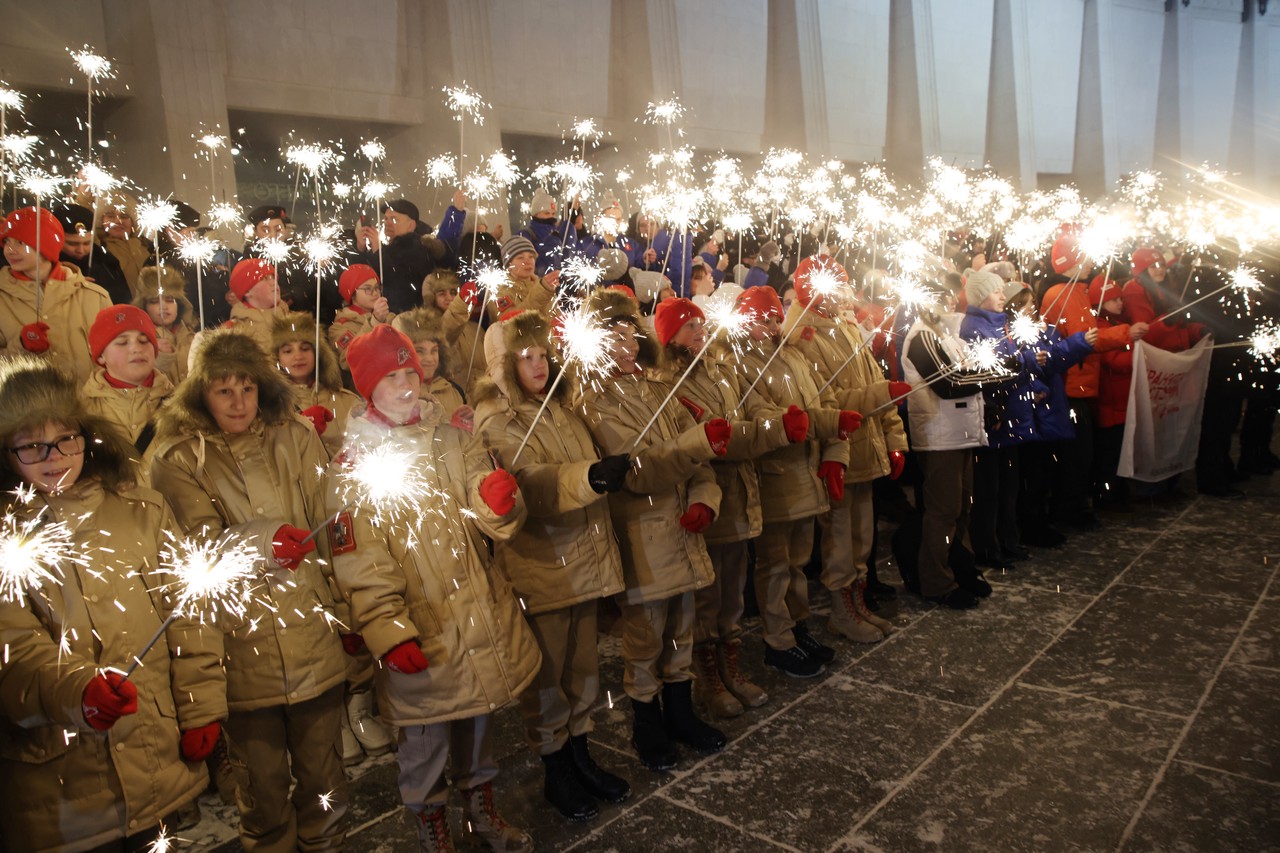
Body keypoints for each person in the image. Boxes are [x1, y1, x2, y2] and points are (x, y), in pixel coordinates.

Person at [326, 324, 539, 853]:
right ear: (366, 389)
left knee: (479, 721)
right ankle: (431, 821)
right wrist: (388, 631)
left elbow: (488, 512)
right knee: (425, 741)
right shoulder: (354, 468)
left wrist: (497, 501)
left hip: (476, 610)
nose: (404, 386)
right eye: (389, 377)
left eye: (409, 374)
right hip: (423, 626)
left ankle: (482, 808)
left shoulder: (452, 437)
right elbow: (360, 562)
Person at [0, 357, 223, 853]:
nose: (54, 456)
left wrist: (200, 706)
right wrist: (76, 689)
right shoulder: (6, 534)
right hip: (62, 784)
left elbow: (187, 612)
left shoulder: (141, 509)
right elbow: (11, 646)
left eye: (65, 438)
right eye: (32, 445)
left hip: (154, 749)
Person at [149, 331, 349, 852]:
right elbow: (194, 549)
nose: (239, 402)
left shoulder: (294, 435)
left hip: (310, 629)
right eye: (223, 391)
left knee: (324, 779)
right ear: (200, 394)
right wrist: (263, 541)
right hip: (242, 647)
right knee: (262, 791)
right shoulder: (177, 460)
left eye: (248, 388)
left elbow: (327, 523)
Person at [473, 309, 633, 822]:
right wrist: (588, 477)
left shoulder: (562, 409)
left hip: (585, 559)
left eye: (543, 355)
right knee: (549, 676)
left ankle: (581, 752)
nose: (538, 365)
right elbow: (530, 482)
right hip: (543, 567)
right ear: (505, 365)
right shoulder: (499, 420)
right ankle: (555, 765)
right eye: (526, 357)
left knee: (583, 669)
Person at [578, 287, 730, 771]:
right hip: (643, 533)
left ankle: (681, 711)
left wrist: (706, 498)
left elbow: (697, 458)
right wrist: (694, 447)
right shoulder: (595, 404)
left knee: (682, 627)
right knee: (645, 636)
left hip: (682, 530)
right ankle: (647, 719)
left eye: (630, 335)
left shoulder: (661, 389)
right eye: (613, 338)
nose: (625, 347)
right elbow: (637, 471)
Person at [652, 297, 807, 717]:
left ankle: (731, 667)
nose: (699, 332)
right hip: (708, 496)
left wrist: (781, 420)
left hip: (742, 494)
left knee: (733, 591)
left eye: (701, 325)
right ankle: (709, 679)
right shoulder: (668, 384)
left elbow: (753, 408)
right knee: (708, 596)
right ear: (670, 338)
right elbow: (720, 440)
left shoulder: (722, 370)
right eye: (688, 328)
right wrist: (771, 434)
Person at [731, 286, 854, 675]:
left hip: (806, 471)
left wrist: (833, 446)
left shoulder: (794, 355)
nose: (769, 326)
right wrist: (795, 423)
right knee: (774, 563)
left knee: (798, 561)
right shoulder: (740, 364)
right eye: (760, 319)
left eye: (773, 318)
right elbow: (758, 413)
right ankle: (778, 638)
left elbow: (825, 401)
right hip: (776, 476)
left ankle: (798, 626)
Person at [784, 257, 906, 643]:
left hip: (865, 448)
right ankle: (842, 609)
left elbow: (872, 379)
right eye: (838, 286)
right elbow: (827, 401)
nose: (846, 294)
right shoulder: (803, 337)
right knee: (839, 537)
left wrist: (894, 438)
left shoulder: (846, 327)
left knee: (861, 536)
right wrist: (881, 394)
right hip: (836, 451)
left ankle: (857, 603)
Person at [902, 301, 1019, 608]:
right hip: (939, 437)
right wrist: (997, 373)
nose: (950, 303)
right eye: (941, 296)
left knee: (962, 508)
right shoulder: (922, 336)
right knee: (943, 512)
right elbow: (948, 385)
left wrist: (990, 392)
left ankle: (960, 567)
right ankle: (936, 580)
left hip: (960, 433)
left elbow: (965, 373)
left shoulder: (946, 334)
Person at [1039, 233, 1145, 530]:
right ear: (1070, 261)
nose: (1089, 264)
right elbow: (1086, 338)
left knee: (1081, 455)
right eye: (1083, 258)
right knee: (1076, 456)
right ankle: (1069, 509)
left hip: (1080, 384)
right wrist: (1126, 333)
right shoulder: (1063, 292)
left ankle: (1072, 507)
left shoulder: (1075, 290)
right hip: (1071, 386)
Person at [0, 206, 111, 385]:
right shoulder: (2, 299)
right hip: (30, 411)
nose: (10, 250)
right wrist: (20, 345)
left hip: (91, 409)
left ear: (46, 245)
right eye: (7, 242)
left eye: (20, 243)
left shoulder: (95, 296)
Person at [81, 304, 174, 455]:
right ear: (100, 356)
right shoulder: (83, 412)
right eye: (122, 342)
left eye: (144, 341)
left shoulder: (179, 405)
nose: (136, 348)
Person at [274, 310, 364, 457]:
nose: (298, 356)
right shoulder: (271, 408)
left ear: (317, 353)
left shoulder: (347, 401)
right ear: (277, 358)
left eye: (305, 349)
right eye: (288, 351)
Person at [352, 199, 451, 313]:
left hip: (406, 318)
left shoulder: (417, 249)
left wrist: (377, 250)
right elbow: (361, 275)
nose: (388, 223)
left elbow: (398, 281)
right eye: (386, 218)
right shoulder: (388, 249)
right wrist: (361, 247)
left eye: (394, 219)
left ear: (411, 225)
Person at [393, 307, 473, 431]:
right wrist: (448, 425)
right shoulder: (393, 395)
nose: (429, 359)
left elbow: (473, 444)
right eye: (420, 351)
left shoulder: (455, 391)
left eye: (434, 350)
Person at [52, 202, 132, 304]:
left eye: (86, 243)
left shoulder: (106, 262)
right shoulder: (46, 265)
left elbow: (122, 303)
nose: (80, 250)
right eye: (72, 244)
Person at [134, 262, 197, 384]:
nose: (163, 307)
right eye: (154, 301)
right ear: (144, 306)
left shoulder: (191, 335)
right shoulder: (138, 340)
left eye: (170, 300)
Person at [329, 263, 395, 371]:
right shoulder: (339, 327)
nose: (375, 293)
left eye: (377, 288)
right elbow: (349, 360)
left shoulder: (388, 317)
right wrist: (375, 321)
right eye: (368, 289)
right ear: (353, 293)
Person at [219, 257, 289, 358]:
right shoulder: (234, 332)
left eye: (273, 277)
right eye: (264, 279)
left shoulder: (291, 320)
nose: (273, 283)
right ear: (247, 291)